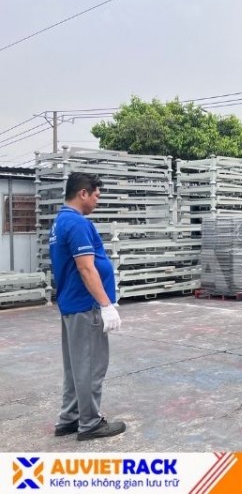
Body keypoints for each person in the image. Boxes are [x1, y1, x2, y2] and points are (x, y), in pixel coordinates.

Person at [49, 172, 126, 441]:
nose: (97, 201)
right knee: (91, 366)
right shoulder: (77, 223)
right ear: (83, 193)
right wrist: (106, 305)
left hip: (72, 305)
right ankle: (90, 423)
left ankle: (69, 418)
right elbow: (86, 268)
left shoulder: (60, 222)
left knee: (75, 367)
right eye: (96, 195)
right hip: (85, 306)